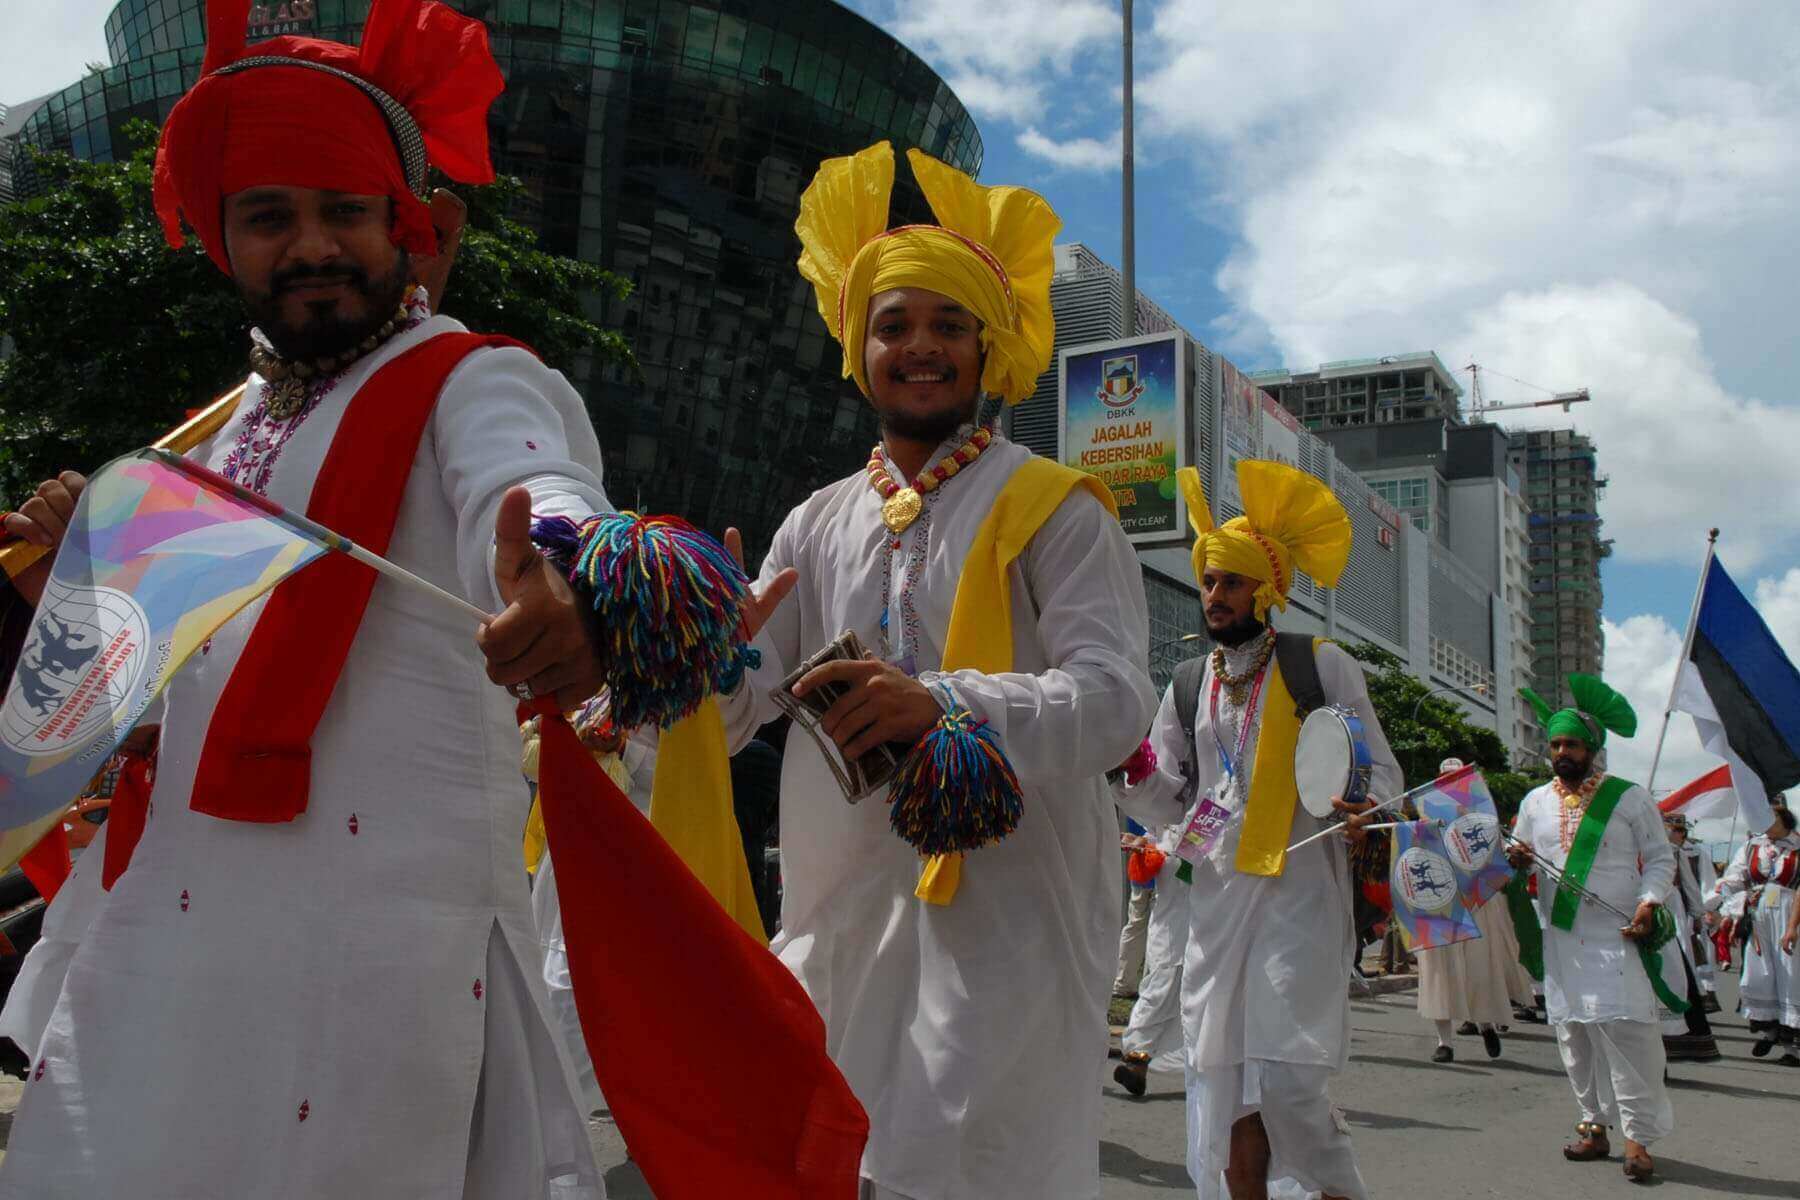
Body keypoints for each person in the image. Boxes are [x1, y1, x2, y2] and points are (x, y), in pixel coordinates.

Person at [0, 3, 617, 1193]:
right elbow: (157, 685)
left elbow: (538, 480)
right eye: (271, 217)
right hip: (178, 923)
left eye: (345, 210)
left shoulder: (469, 375)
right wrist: (80, 576)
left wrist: (570, 565)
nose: (314, 245)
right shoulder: (221, 435)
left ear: (405, 224)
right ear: (222, 239)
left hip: (382, 948)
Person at [717, 141, 1156, 1199]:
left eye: (947, 325)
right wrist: (695, 656)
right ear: (858, 346)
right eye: (895, 324)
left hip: (1013, 913)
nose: (920, 347)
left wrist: (944, 703)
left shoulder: (1056, 506)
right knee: (836, 1158)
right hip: (843, 902)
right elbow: (739, 705)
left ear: (988, 345)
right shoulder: (815, 521)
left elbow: (1114, 703)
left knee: (981, 1167)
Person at [1115, 459, 1401, 1200]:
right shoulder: (1187, 682)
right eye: (1209, 580)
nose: (1215, 594)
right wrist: (1124, 763)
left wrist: (1363, 802)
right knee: (1223, 1083)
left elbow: (1381, 772)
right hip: (1213, 899)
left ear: (1266, 589)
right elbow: (1165, 799)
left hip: (1300, 895)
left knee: (1288, 1081)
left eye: (1231, 582)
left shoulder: (1320, 665)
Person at [1509, 676, 1676, 1184]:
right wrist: (1515, 860)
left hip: (1617, 935)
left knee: (1629, 1037)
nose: (1561, 751)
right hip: (1560, 938)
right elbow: (1515, 855)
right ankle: (1593, 1126)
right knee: (1573, 1035)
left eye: (1572, 744)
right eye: (1556, 743)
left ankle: (1638, 1138)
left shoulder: (1629, 797)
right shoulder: (1535, 801)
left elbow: (1661, 859)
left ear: (1592, 748)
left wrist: (1650, 902)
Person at [1415, 760, 1532, 1063]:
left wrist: (1515, 856)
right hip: (1440, 903)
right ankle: (1445, 1042)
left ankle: (1485, 1024)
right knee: (1440, 973)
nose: (1451, 784)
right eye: (1445, 779)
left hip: (1479, 903)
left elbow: (1503, 854)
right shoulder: (1424, 819)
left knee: (1479, 969)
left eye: (1457, 779)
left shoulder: (1483, 819)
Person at [1708, 803, 1800, 1063]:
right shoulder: (1752, 846)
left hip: (1791, 911)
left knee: (1791, 975)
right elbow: (1735, 877)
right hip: (1759, 914)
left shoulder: (1798, 846)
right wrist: (1718, 897)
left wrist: (1793, 927)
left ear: (1783, 820)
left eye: (1769, 819)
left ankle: (1791, 1047)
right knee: (1757, 975)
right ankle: (1770, 1030)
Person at [1113, 812, 1192, 1097]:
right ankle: (1138, 1058)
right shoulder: (1169, 802)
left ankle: (1138, 1056)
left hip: (1195, 907)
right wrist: (1142, 842)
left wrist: (1163, 850)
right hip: (1170, 907)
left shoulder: (1212, 797)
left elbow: (1196, 851)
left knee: (1169, 981)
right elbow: (1158, 835)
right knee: (1163, 979)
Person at [1657, 814, 1722, 1061]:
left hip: (1669, 911)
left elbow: (1691, 888)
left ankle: (1674, 1031)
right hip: (1635, 911)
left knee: (1673, 967)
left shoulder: (1676, 853)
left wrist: (1699, 914)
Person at [1666, 814, 1721, 1010]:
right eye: (1674, 829)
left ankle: (1704, 994)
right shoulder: (1661, 850)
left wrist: (1705, 909)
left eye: (1681, 830)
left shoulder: (1696, 853)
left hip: (1686, 908)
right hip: (1669, 906)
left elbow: (1703, 882)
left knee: (1696, 951)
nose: (1678, 834)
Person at [1115, 816, 1158, 1000]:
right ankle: (1150, 984)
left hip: (1143, 867)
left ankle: (1124, 982)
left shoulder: (1133, 800)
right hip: (1158, 867)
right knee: (1157, 927)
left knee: (1136, 925)